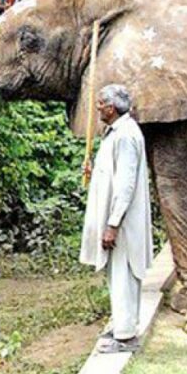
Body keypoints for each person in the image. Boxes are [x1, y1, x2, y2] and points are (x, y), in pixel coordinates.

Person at [80, 84, 152, 353]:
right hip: (118, 221)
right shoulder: (116, 133)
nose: (97, 108)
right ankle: (124, 325)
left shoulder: (125, 136)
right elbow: (111, 173)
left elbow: (125, 184)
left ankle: (125, 337)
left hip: (121, 224)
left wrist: (113, 224)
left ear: (111, 108)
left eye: (100, 103)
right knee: (117, 274)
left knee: (124, 273)